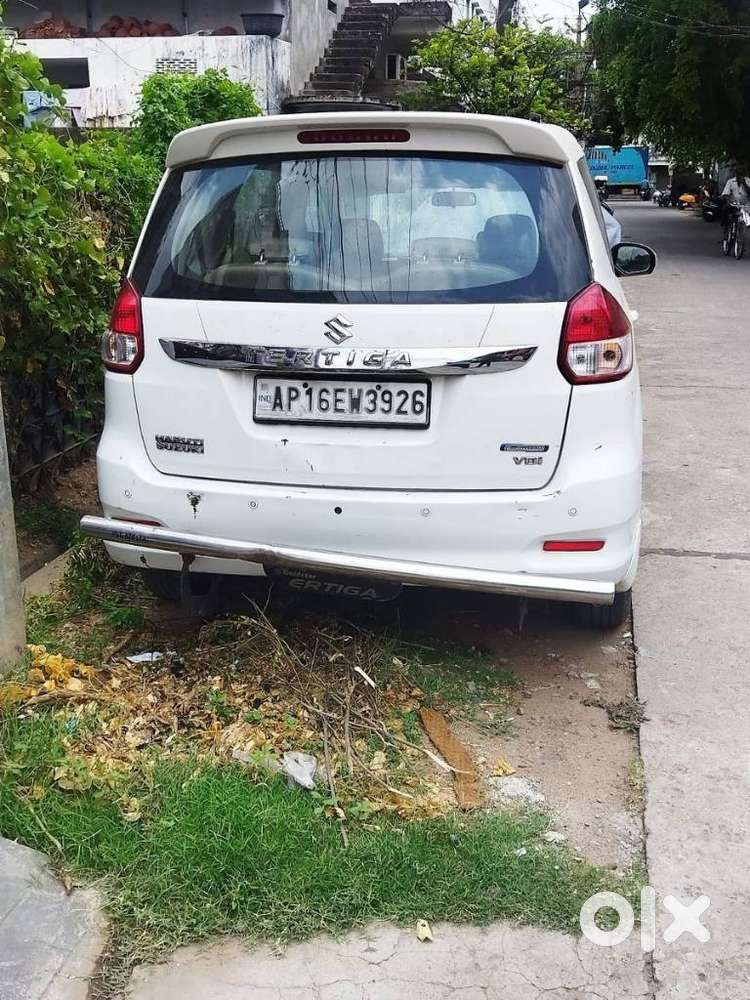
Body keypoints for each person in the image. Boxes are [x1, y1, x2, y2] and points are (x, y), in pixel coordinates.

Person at [721, 165, 750, 239]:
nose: (740, 176)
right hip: (733, 204)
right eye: (738, 174)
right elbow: (726, 194)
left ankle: (741, 236)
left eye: (742, 174)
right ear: (736, 174)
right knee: (725, 210)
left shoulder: (748, 181)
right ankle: (725, 230)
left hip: (746, 205)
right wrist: (728, 202)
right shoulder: (730, 181)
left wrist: (745, 184)